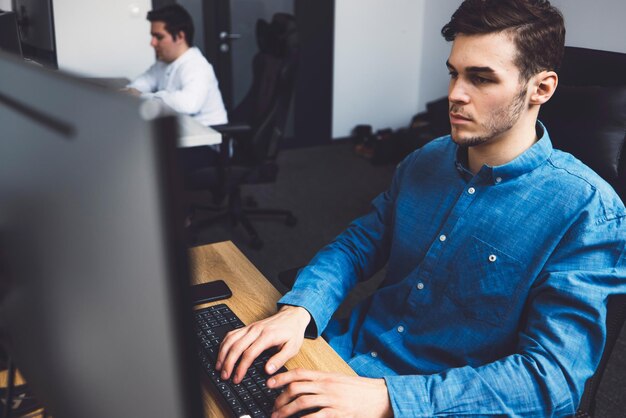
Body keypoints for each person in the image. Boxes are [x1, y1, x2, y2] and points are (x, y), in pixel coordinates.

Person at [217, 0, 626, 416]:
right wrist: (301, 308)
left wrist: (388, 399)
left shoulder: (588, 212)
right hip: (340, 361)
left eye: (481, 79)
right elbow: (359, 243)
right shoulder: (426, 159)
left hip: (438, 403)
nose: (454, 95)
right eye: (454, 73)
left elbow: (551, 382)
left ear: (541, 88)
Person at [126, 4, 227, 127]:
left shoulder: (196, 65)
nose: (152, 43)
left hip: (207, 139)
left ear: (180, 36)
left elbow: (189, 104)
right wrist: (128, 92)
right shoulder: (164, 62)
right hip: (184, 133)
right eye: (152, 36)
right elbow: (143, 82)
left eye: (159, 37)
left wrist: (142, 97)